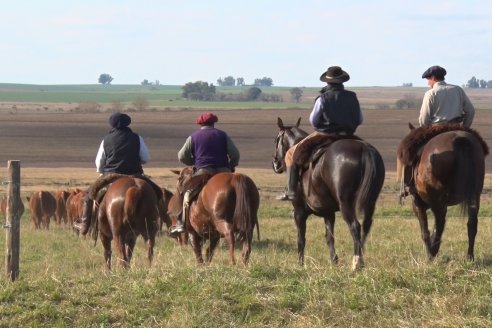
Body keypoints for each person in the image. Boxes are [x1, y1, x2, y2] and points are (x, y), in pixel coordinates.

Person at [277, 66, 363, 201]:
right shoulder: (352, 97)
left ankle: (291, 191)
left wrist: (322, 127)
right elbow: (359, 119)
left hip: (325, 134)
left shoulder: (323, 98)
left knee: (289, 154)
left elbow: (313, 120)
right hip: (349, 134)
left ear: (327, 82)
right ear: (342, 82)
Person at [73, 112, 150, 235]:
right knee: (156, 192)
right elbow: (145, 157)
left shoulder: (106, 140)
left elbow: (99, 162)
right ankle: (154, 221)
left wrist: (101, 172)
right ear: (127, 123)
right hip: (135, 175)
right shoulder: (137, 138)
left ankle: (85, 225)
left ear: (112, 125)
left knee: (88, 196)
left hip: (111, 175)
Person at [169, 112, 240, 236]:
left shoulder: (194, 136)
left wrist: (192, 162)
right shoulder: (223, 135)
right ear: (214, 123)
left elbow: (181, 156)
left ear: (200, 124)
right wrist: (230, 165)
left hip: (203, 171)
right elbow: (235, 154)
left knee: (184, 191)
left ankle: (180, 222)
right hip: (223, 171)